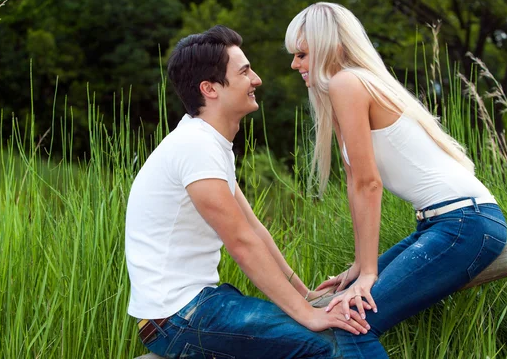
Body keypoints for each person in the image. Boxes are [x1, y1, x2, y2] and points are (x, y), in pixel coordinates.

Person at [125, 25, 371, 359]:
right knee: (332, 346)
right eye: (244, 72)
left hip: (198, 305)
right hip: (179, 316)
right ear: (210, 89)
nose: (256, 79)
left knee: (331, 329)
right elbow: (242, 242)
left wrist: (306, 295)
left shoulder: (208, 142)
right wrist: (308, 314)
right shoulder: (195, 147)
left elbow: (255, 228)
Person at [285, 2, 507, 358]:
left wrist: (369, 275)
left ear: (331, 48)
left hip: (464, 221)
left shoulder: (348, 82)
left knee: (356, 325)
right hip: (446, 223)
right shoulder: (346, 89)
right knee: (339, 316)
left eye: (301, 54)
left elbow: (369, 184)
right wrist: (359, 265)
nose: (295, 64)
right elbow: (355, 180)